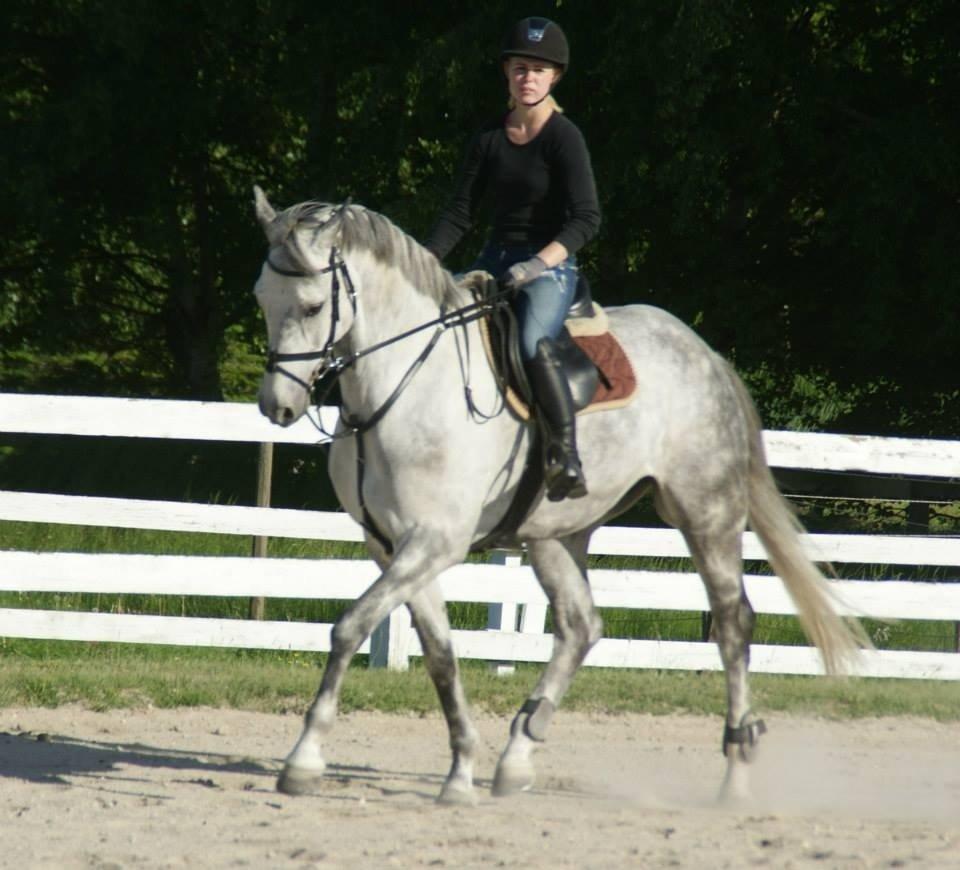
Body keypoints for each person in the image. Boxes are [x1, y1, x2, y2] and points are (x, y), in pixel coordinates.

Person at [425, 16, 601, 502]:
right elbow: (460, 212)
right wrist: (421, 261)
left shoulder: (565, 138)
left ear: (554, 78)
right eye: (520, 67)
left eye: (539, 70)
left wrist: (539, 264)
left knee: (528, 342)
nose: (528, 77)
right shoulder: (488, 138)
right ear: (507, 73)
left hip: (550, 267)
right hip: (493, 259)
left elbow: (586, 218)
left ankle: (565, 454)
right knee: (444, 328)